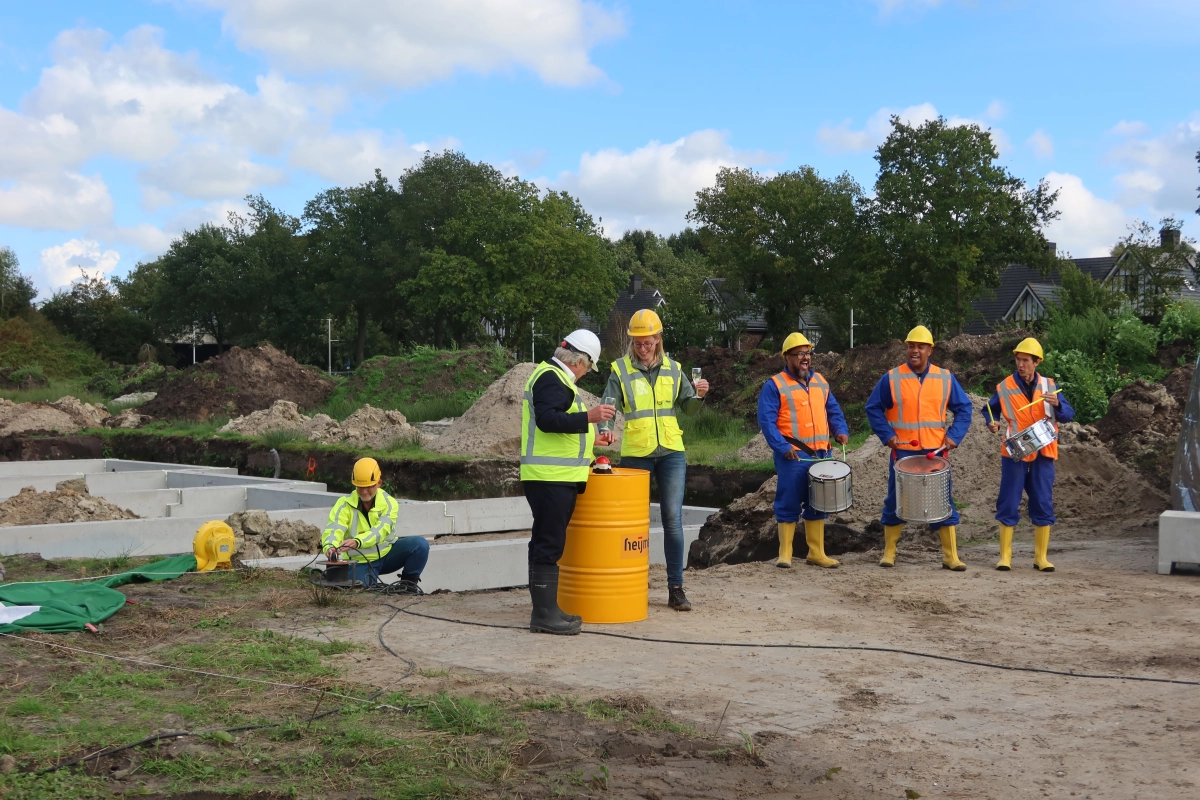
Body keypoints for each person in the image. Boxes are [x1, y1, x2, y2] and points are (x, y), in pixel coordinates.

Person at [601, 309, 709, 611]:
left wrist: (699, 396)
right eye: (637, 343)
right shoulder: (620, 370)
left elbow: (688, 410)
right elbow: (608, 404)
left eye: (647, 342)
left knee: (673, 521)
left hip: (672, 453)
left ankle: (676, 588)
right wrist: (605, 430)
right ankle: (630, 582)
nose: (642, 348)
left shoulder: (674, 370)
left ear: (658, 340)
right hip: (637, 454)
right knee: (633, 524)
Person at [521, 329, 615, 635]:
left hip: (552, 477)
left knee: (545, 542)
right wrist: (590, 418)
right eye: (589, 367)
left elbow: (559, 426)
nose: (587, 373)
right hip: (551, 479)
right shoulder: (552, 378)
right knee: (548, 544)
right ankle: (545, 615)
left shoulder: (553, 378)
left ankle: (547, 610)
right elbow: (549, 421)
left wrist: (592, 439)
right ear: (580, 360)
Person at [865, 325, 973, 571]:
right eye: (911, 346)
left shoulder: (945, 378)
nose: (915, 350)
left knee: (943, 501)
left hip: (935, 453)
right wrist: (887, 434)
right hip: (902, 452)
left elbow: (964, 409)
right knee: (896, 500)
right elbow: (873, 408)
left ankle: (950, 557)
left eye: (920, 346)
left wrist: (954, 436)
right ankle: (889, 552)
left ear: (930, 350)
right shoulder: (891, 378)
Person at [757, 332, 850, 568]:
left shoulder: (820, 381)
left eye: (807, 353)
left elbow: (833, 410)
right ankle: (785, 554)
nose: (805, 358)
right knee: (788, 501)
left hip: (821, 454)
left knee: (818, 502)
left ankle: (816, 553)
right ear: (787, 357)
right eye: (799, 354)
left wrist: (840, 430)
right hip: (793, 455)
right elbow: (767, 421)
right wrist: (782, 447)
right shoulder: (774, 385)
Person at [985, 337, 1074, 572]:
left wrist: (1058, 405)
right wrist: (991, 423)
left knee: (1043, 502)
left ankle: (1040, 558)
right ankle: (1005, 557)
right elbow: (990, 410)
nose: (1020, 364)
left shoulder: (1049, 386)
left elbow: (1067, 415)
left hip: (1044, 451)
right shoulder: (1004, 387)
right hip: (1015, 451)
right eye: (1018, 359)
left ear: (1037, 362)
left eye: (1025, 360)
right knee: (1008, 501)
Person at [321, 457, 429, 593]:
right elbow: (334, 528)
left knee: (420, 545)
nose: (364, 491)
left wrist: (357, 541)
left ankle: (408, 587)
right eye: (360, 487)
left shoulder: (389, 503)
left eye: (369, 487)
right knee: (365, 593)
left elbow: (380, 530)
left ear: (379, 483)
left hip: (388, 555)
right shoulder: (343, 504)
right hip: (359, 562)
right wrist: (330, 547)